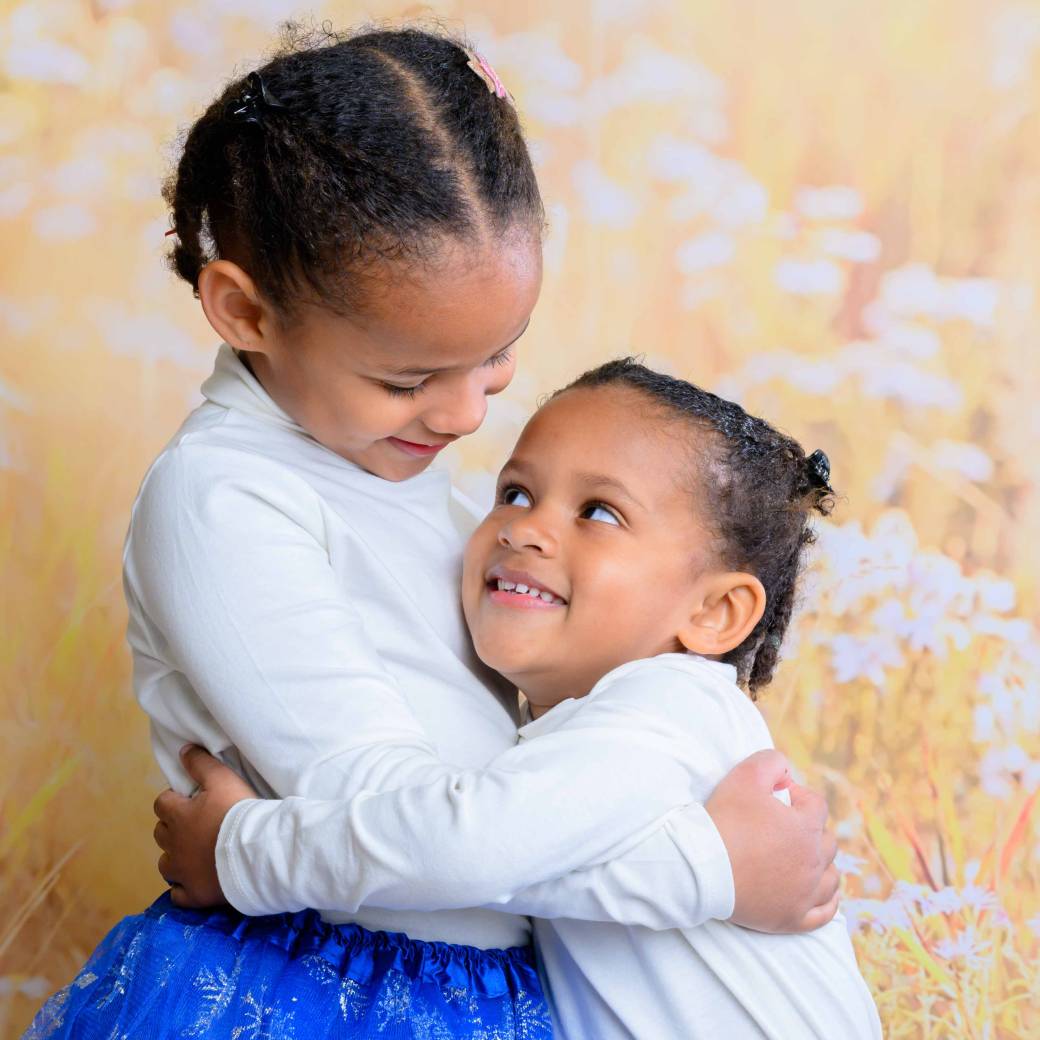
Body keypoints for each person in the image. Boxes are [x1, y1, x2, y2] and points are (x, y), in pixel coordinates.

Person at [25, 24, 837, 1040]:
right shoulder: (221, 496)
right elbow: (409, 820)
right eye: (406, 378)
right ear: (245, 312)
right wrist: (707, 867)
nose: (462, 415)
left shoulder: (429, 486)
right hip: (326, 985)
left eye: (497, 357)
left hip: (476, 984)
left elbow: (525, 785)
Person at [162, 360, 880, 1039]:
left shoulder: (667, 710)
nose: (525, 527)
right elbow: (537, 870)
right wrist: (717, 869)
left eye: (599, 512)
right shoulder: (588, 723)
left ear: (715, 613)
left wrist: (240, 855)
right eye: (515, 493)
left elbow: (469, 853)